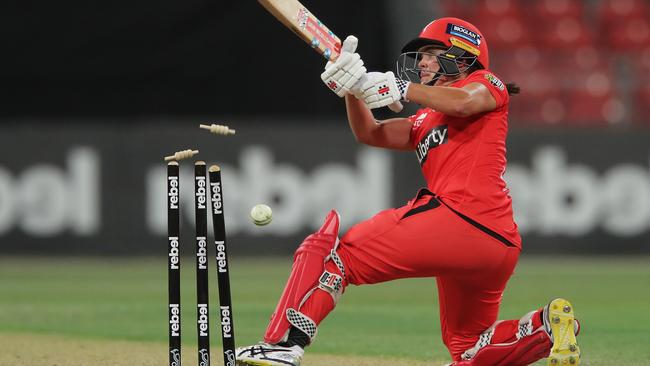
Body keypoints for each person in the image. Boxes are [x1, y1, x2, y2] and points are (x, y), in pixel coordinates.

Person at [236, 17, 581, 366]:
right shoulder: (425, 120)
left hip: (463, 217)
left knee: (337, 254)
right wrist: (353, 90)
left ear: (463, 55)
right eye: (421, 56)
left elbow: (463, 103)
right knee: (466, 348)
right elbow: (370, 133)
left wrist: (402, 88)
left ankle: (282, 345)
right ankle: (544, 328)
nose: (423, 63)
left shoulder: (486, 83)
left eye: (431, 54)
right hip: (496, 243)